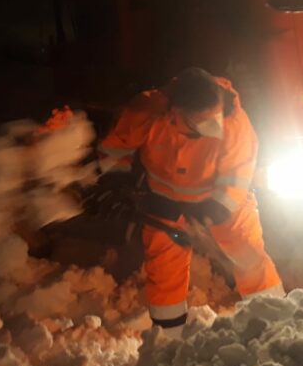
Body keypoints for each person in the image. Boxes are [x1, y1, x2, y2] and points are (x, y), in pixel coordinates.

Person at [97, 68, 284, 336]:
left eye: (214, 116)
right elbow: (115, 148)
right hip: (164, 205)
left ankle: (278, 321)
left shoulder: (235, 121)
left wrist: (213, 210)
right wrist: (116, 185)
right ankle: (169, 339)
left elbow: (238, 176)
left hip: (223, 204)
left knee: (249, 257)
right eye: (201, 121)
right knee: (164, 272)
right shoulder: (147, 112)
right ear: (176, 111)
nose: (213, 125)